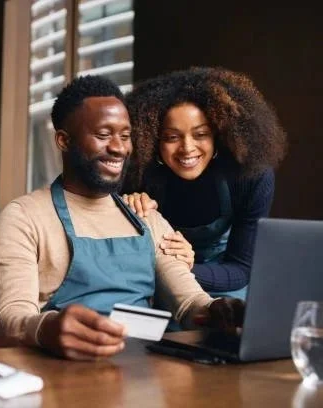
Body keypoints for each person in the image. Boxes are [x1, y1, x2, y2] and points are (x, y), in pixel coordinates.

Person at [0, 75, 244, 361]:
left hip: (144, 378)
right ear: (63, 140)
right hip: (60, 376)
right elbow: (9, 319)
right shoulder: (25, 217)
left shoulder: (145, 217)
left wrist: (216, 311)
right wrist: (47, 328)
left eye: (125, 136)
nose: (119, 148)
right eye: (103, 135)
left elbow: (189, 304)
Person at [122, 66, 287, 299]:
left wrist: (186, 267)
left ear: (218, 135)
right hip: (157, 277)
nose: (187, 148)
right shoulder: (137, 176)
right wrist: (127, 207)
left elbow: (241, 269)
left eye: (200, 134)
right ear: (153, 140)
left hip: (224, 280)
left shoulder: (250, 176)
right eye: (171, 137)